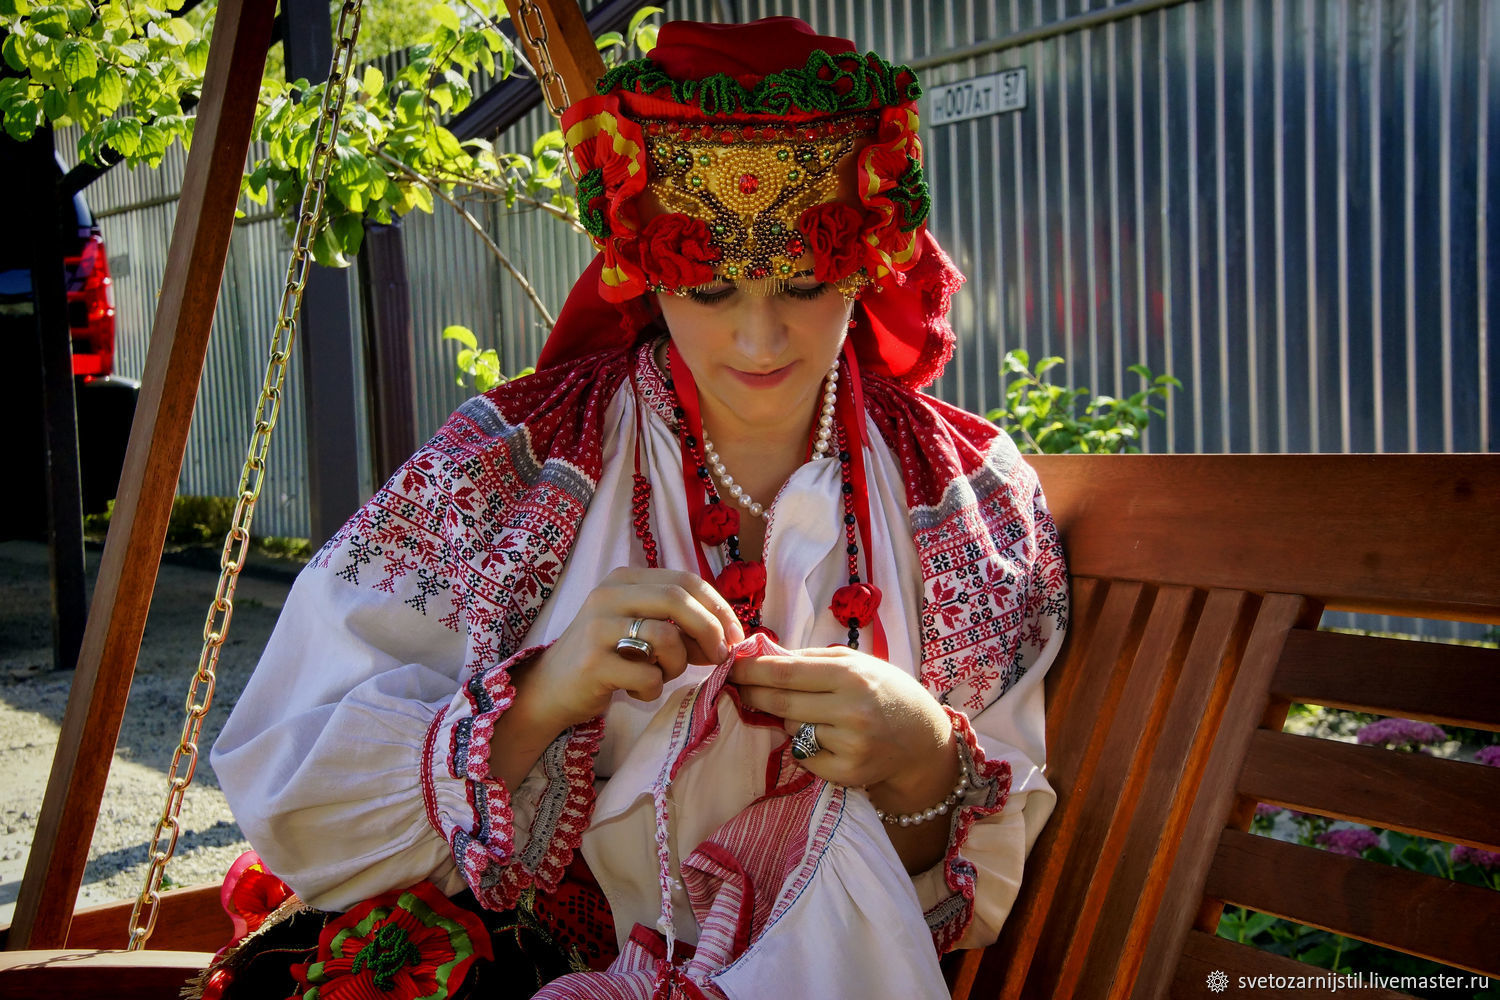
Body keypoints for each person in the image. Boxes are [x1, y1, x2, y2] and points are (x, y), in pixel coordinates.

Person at [210, 16, 1069, 1000]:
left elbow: (970, 886)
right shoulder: (516, 467)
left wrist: (924, 760)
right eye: (708, 287)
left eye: (803, 282)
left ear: (868, 261)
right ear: (647, 272)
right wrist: (542, 696)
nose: (759, 339)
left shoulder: (963, 499)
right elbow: (298, 797)